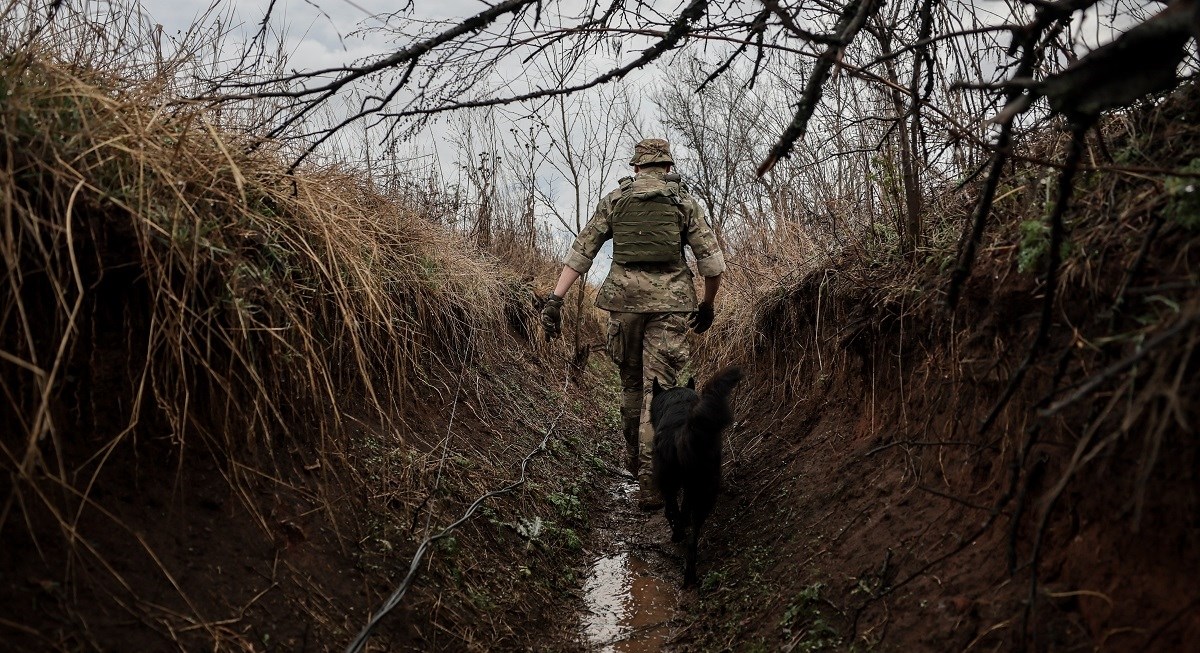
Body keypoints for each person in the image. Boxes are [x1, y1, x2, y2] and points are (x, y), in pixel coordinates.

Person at [540, 138, 726, 510]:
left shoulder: (615, 199)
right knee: (657, 393)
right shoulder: (683, 203)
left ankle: (633, 462)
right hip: (671, 305)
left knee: (630, 386)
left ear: (636, 167)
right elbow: (712, 263)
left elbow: (582, 252)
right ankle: (652, 482)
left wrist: (556, 299)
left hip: (623, 305)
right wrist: (706, 305)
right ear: (668, 167)